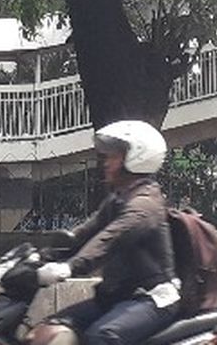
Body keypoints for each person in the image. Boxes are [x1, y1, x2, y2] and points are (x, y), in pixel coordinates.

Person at [29, 120, 179, 345]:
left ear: (136, 158)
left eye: (113, 156)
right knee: (49, 330)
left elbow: (110, 240)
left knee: (101, 336)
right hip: (118, 297)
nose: (106, 163)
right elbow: (82, 235)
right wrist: (40, 258)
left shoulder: (145, 204)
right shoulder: (117, 200)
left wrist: (70, 267)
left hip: (150, 298)